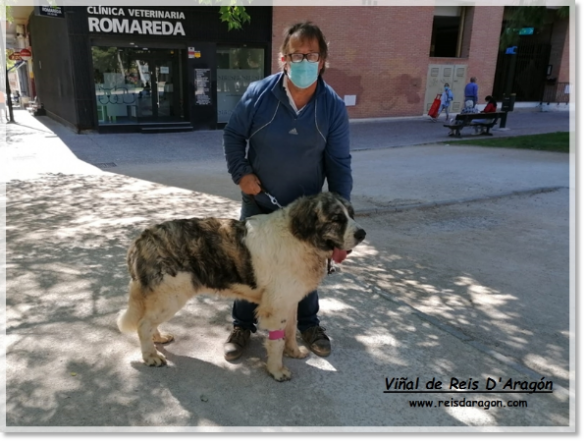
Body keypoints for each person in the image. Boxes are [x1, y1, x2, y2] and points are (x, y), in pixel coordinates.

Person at [223, 21, 352, 361]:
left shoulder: (332, 106)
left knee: (306, 268)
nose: (305, 61)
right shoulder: (258, 95)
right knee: (248, 266)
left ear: (323, 59)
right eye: (297, 55)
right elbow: (233, 136)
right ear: (283, 58)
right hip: (260, 202)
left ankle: (309, 325)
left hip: (306, 213)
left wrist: (342, 223)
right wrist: (242, 173)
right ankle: (242, 326)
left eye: (312, 54)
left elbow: (339, 163)